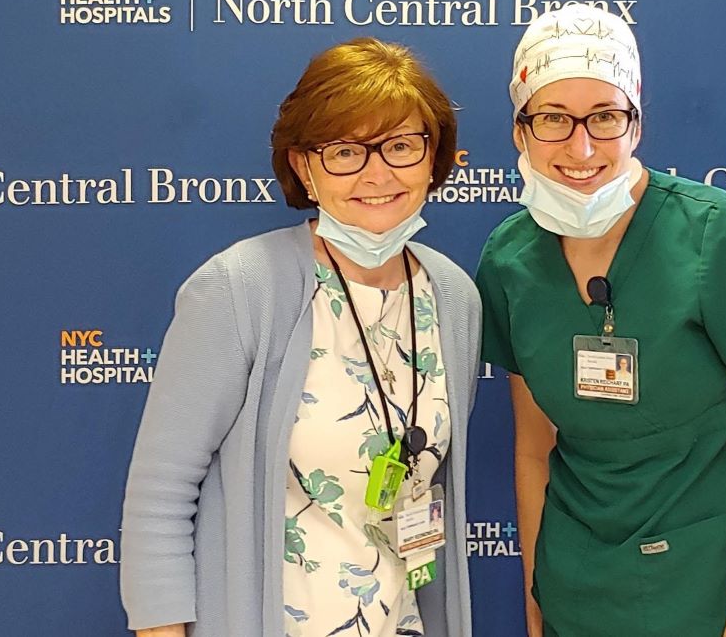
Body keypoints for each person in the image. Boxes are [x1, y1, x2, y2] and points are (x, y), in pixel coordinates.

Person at [476, 5, 726, 636]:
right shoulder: (509, 261)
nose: (580, 147)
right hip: (583, 590)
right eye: (554, 118)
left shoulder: (719, 236)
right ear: (519, 130)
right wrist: (538, 600)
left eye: (605, 117)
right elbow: (534, 450)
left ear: (636, 124)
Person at [121, 37, 479, 637]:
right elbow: (161, 493)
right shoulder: (241, 287)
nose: (378, 173)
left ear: (433, 157)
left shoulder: (452, 296)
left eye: (400, 145)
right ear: (303, 166)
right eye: (345, 151)